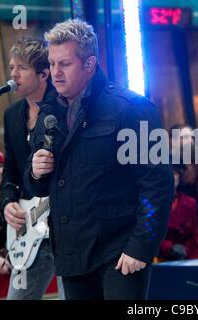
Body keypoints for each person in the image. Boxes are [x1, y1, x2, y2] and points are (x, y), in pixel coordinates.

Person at [23, 19, 173, 300]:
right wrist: (34, 172)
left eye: (64, 64)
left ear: (89, 64)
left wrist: (141, 247)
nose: (55, 73)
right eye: (52, 63)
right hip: (72, 256)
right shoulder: (47, 114)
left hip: (120, 254)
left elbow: (158, 184)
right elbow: (37, 188)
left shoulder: (131, 108)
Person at [0, 37, 64, 300]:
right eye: (12, 67)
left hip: (63, 222)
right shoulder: (12, 114)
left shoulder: (63, 106)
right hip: (30, 226)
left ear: (43, 74)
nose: (13, 74)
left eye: (22, 68)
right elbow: (10, 169)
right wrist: (8, 201)